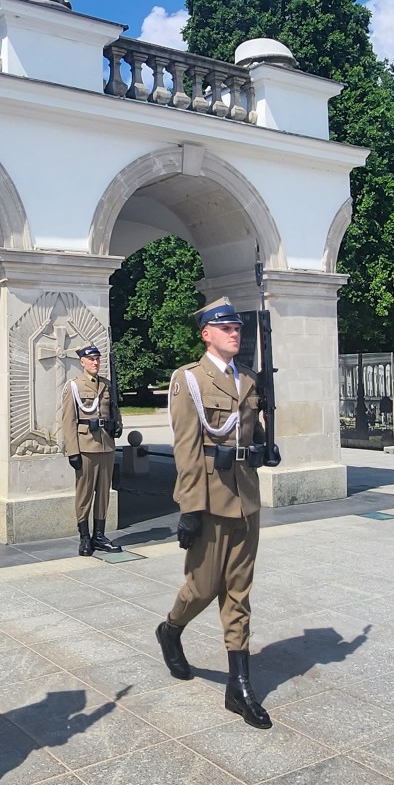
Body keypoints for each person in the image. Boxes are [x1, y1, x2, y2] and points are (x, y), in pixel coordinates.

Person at [153, 296, 270, 729]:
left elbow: (252, 434)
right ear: (206, 334)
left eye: (237, 327)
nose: (234, 333)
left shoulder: (250, 379)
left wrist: (265, 443)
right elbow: (186, 448)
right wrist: (189, 507)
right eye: (225, 328)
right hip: (209, 496)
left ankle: (239, 685)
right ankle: (170, 629)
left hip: (245, 497)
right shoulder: (188, 380)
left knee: (239, 590)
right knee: (202, 587)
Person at [58, 344, 119, 556]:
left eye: (97, 359)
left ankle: (99, 535)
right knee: (84, 494)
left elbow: (113, 409)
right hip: (85, 446)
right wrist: (72, 451)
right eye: (91, 359)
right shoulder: (74, 386)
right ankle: (84, 537)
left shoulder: (107, 385)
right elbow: (68, 421)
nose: (95, 362)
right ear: (82, 362)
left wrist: (118, 425)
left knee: (103, 493)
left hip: (106, 445)